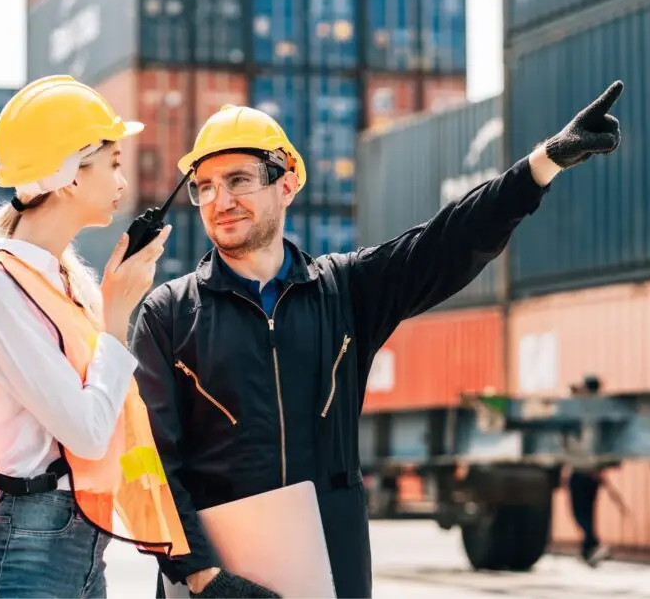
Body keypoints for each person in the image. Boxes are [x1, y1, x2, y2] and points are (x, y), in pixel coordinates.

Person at [131, 83, 625, 598]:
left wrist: (541, 165)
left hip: (332, 582)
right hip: (210, 588)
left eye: (238, 180)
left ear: (287, 184)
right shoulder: (168, 316)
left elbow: (446, 243)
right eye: (204, 186)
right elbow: (144, 461)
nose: (220, 201)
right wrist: (202, 575)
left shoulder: (345, 293)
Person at [0, 75, 190, 598]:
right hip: (22, 551)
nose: (122, 179)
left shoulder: (62, 284)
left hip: (79, 546)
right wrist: (117, 311)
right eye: (112, 162)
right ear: (69, 177)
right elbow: (89, 432)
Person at [566, 375, 614, 568]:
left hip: (581, 470)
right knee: (587, 513)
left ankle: (593, 544)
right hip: (591, 471)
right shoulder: (601, 409)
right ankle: (588, 551)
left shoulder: (582, 409)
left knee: (580, 513)